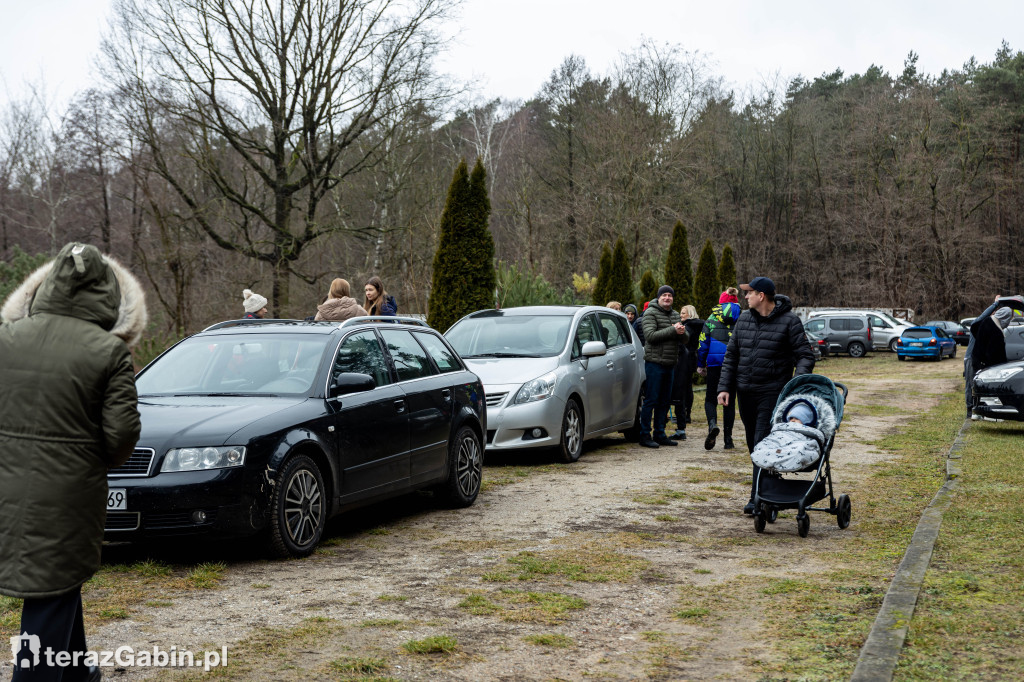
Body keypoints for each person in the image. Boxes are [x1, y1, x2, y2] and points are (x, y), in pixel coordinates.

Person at [0, 242, 146, 682]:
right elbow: (121, 438)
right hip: (68, 495)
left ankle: (79, 671)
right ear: (107, 293)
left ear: (44, 286)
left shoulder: (6, 339)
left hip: (5, 484)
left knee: (58, 584)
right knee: (50, 594)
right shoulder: (108, 352)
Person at [717, 276, 815, 514]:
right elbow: (732, 356)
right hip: (745, 392)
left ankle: (757, 498)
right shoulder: (744, 319)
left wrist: (794, 383)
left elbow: (805, 356)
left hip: (772, 393)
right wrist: (724, 387)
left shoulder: (790, 322)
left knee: (761, 441)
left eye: (749, 293)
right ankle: (771, 485)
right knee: (754, 443)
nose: (745, 297)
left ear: (761, 296)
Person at [639, 285, 688, 448]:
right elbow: (650, 336)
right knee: (652, 399)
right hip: (654, 363)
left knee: (665, 401)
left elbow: (685, 339)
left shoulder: (675, 314)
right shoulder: (650, 313)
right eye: (664, 295)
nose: (667, 298)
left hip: (670, 364)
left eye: (670, 295)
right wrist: (673, 330)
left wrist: (682, 332)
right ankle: (644, 434)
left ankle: (660, 433)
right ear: (658, 298)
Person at [697, 289, 741, 450]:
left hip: (714, 364)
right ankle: (728, 440)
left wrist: (701, 364)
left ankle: (712, 425)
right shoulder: (742, 318)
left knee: (710, 399)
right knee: (729, 402)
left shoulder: (710, 319)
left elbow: (702, 343)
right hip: (733, 365)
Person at [965, 295, 1006, 417]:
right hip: (970, 358)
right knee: (970, 384)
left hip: (979, 359)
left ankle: (978, 408)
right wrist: (995, 304)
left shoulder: (988, 328)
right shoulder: (977, 326)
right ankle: (970, 410)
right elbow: (983, 316)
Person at [670, 304, 703, 439]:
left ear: (690, 314)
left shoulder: (687, 327)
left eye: (683, 313)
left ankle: (684, 414)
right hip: (693, 357)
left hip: (684, 358)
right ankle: (687, 413)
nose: (681, 315)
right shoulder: (701, 325)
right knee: (688, 387)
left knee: (682, 388)